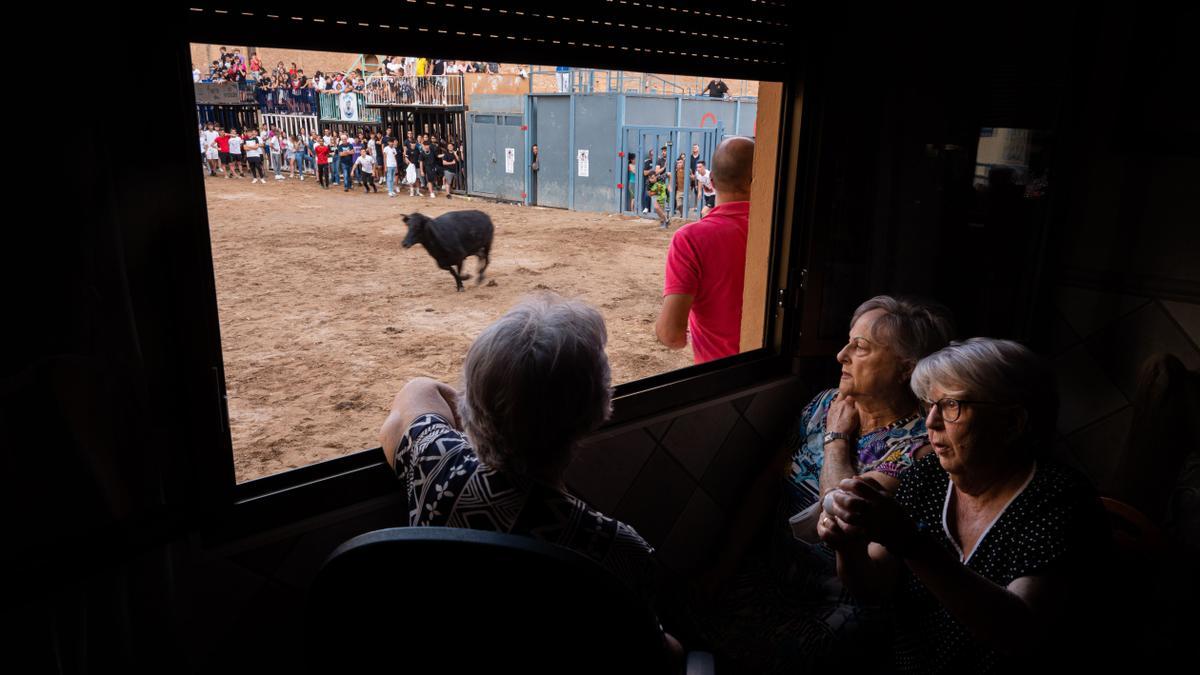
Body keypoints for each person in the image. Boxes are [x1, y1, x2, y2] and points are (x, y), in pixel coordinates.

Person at [378, 293, 682, 666]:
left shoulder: (438, 466)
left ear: (471, 401)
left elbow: (417, 390)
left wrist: (489, 412)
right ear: (598, 410)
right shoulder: (616, 548)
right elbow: (657, 657)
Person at [690, 296, 955, 672]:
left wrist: (836, 439)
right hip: (771, 575)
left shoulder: (920, 450)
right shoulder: (825, 403)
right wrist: (724, 565)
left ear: (904, 369)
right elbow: (766, 485)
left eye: (860, 348)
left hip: (840, 604)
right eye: (848, 341)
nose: (841, 355)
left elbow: (842, 508)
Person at [820, 338, 1109, 673]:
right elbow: (874, 587)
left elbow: (1019, 634)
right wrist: (848, 547)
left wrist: (910, 541)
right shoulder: (929, 476)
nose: (931, 422)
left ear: (1012, 422)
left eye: (952, 406)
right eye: (929, 404)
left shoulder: (1060, 501)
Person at [654, 136, 753, 364]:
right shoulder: (780, 231)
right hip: (770, 373)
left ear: (712, 181)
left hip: (718, 378)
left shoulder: (690, 239)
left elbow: (671, 336)